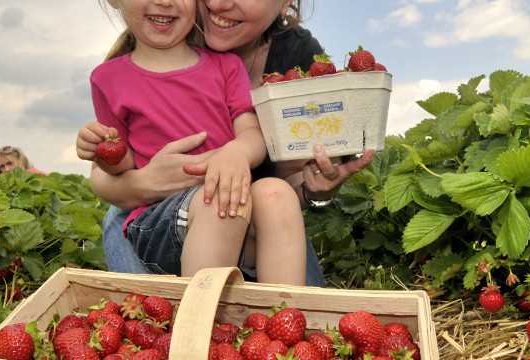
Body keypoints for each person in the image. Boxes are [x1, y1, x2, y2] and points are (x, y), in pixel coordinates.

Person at [92, 0, 375, 286]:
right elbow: (108, 172)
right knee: (213, 198)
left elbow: (279, 166)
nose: (219, 3)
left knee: (273, 193)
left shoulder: (289, 57)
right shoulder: (124, 66)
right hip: (160, 214)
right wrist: (145, 181)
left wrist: (317, 187)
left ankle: (281, 316)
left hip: (245, 210)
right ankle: (201, 321)